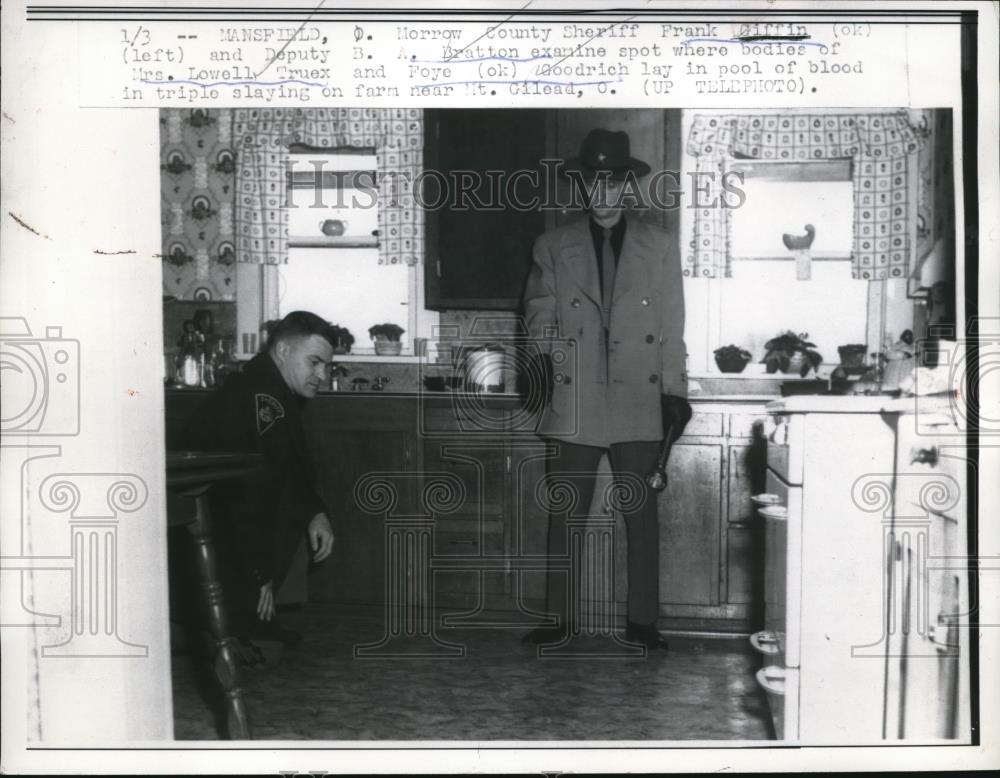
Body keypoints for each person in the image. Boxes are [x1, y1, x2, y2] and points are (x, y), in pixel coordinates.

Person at [522, 128, 692, 650]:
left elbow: (671, 323)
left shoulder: (659, 247)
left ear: (628, 187)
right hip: (577, 396)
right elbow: (538, 318)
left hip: (639, 395)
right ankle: (561, 618)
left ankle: (642, 622)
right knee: (566, 509)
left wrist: (674, 390)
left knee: (640, 511)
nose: (604, 194)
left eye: (613, 183)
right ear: (584, 187)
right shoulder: (553, 245)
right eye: (594, 183)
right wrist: (554, 369)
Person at [181, 310, 337, 649]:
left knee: (292, 503)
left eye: (326, 366)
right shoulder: (260, 397)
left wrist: (316, 511)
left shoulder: (270, 385)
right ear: (282, 351)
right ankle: (244, 620)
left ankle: (253, 618)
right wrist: (259, 574)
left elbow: (293, 466)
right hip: (210, 516)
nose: (321, 375)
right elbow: (250, 496)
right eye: (314, 362)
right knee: (278, 505)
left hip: (223, 511)